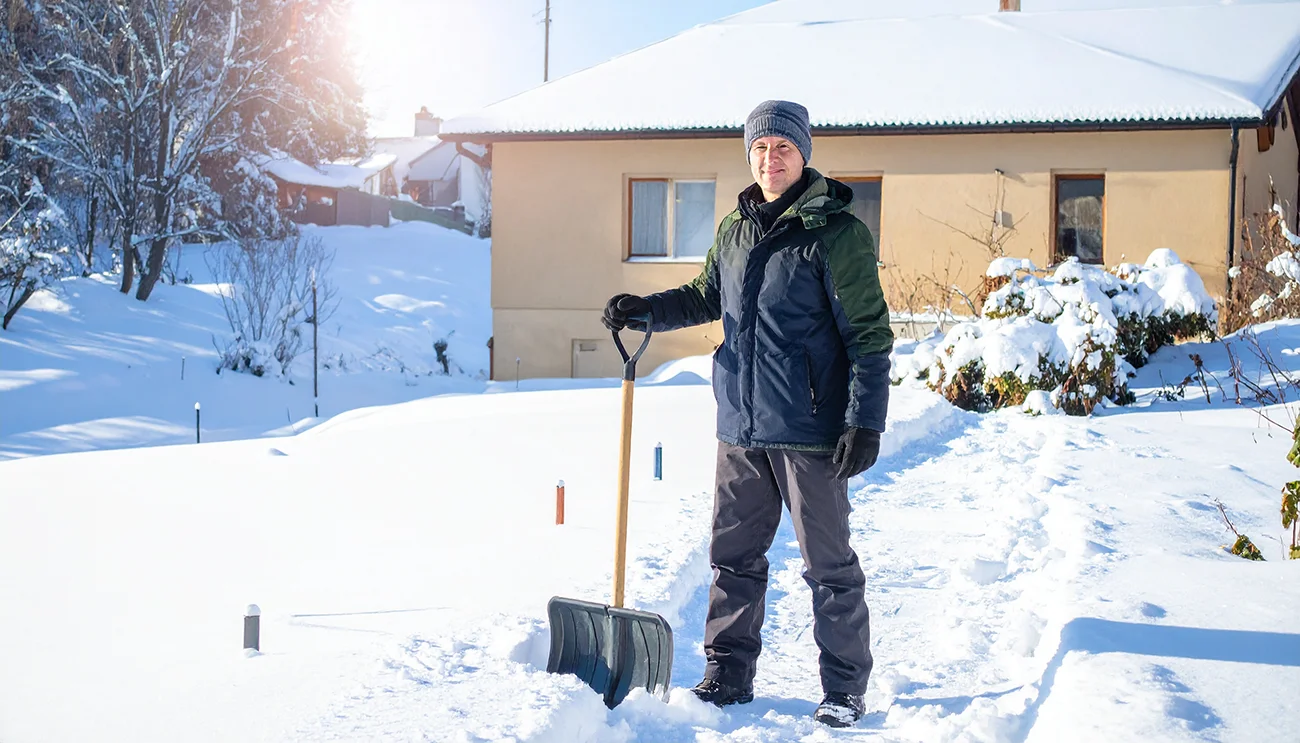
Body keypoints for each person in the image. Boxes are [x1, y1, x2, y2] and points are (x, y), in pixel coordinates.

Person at [601, 100, 893, 728]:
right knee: (733, 556)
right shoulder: (736, 227)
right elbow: (708, 294)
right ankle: (727, 672)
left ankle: (844, 689)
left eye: (782, 147)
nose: (770, 158)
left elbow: (869, 333)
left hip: (811, 428)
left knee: (829, 566)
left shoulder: (836, 233)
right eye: (760, 148)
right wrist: (647, 310)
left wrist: (865, 420)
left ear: (804, 154)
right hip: (740, 422)